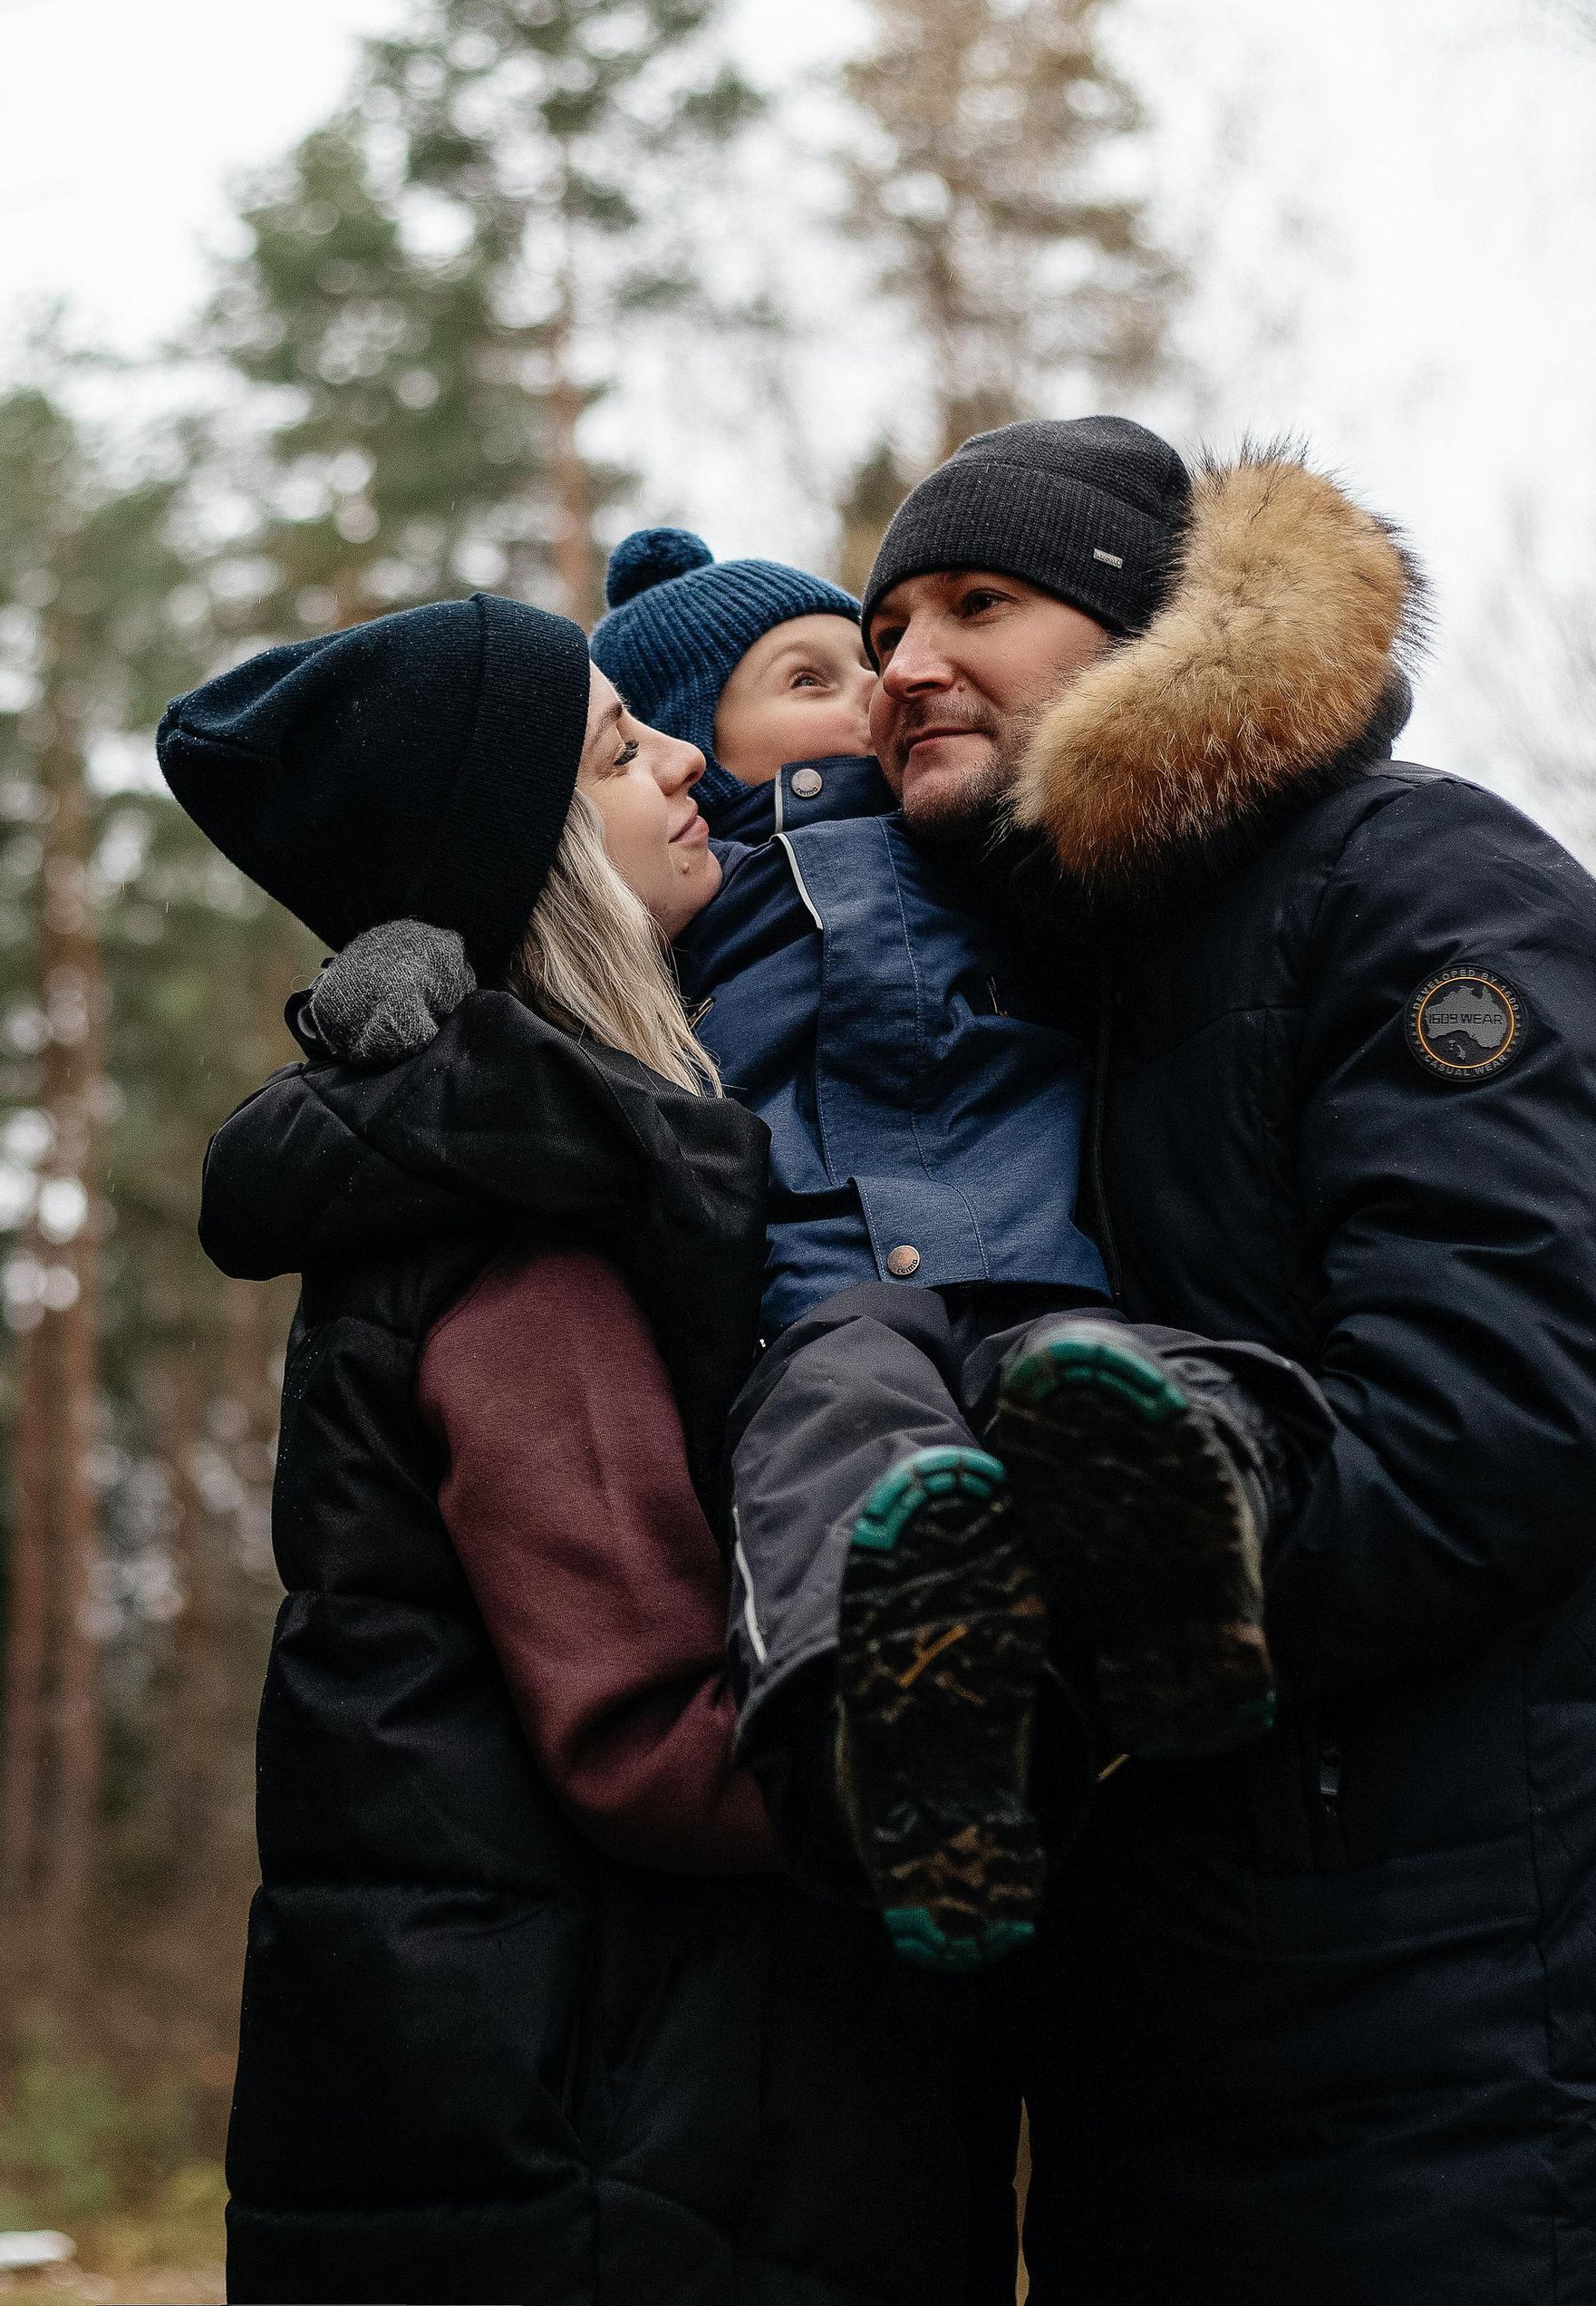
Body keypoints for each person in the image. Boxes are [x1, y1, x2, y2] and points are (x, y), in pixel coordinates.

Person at [158, 595, 1019, 2306]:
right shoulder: (528, 1220)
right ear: (543, 863)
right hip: (591, 2153)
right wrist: (1005, 1763)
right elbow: (653, 1739)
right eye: (625, 753)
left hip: (588, 2116)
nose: (691, 761)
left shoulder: (531, 1146)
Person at [313, 530, 1329, 1977]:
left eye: (866, 667)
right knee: (835, 1447)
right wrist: (407, 965)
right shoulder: (690, 891)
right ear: (693, 752)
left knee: (1133, 1386)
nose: (874, 696)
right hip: (829, 1302)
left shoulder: (984, 841)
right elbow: (533, 956)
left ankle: (1191, 1589)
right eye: (810, 679)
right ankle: (897, 1745)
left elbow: (1161, 853)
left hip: (1045, 1265)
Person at [847, 414, 1596, 2306]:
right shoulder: (1032, 999)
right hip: (1141, 2041)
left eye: (972, 605)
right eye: (876, 632)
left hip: (1441, 2029)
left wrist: (1049, 1641)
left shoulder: (1416, 887)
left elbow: (1494, 1413)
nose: (902, 664)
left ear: (1144, 634)